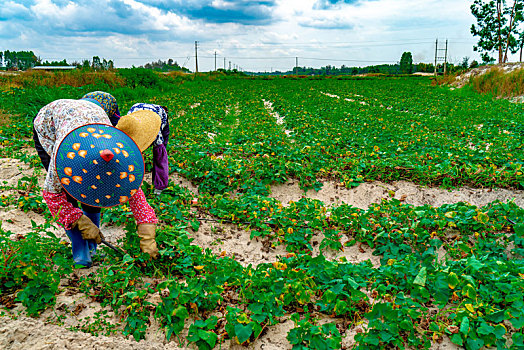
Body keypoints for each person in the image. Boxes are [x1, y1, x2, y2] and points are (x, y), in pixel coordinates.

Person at [33, 98, 161, 268]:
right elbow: (52, 195)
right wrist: (79, 221)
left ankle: (92, 244)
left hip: (90, 117)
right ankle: (80, 249)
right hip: (50, 124)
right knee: (67, 192)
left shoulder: (122, 158)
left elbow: (137, 199)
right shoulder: (62, 156)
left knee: (95, 194)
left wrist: (148, 239)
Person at [119, 103, 170, 195]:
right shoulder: (128, 123)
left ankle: (160, 185)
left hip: (155, 118)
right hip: (137, 115)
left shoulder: (155, 126)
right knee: (131, 154)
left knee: (160, 154)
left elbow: (160, 156)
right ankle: (131, 183)